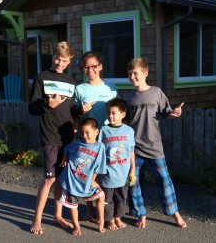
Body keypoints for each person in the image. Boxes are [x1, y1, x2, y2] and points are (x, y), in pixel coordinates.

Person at [124, 57, 187, 229]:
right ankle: (140, 214)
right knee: (134, 182)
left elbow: (166, 112)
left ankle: (175, 213)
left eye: (135, 73)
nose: (132, 77)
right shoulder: (128, 97)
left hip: (154, 147)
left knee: (164, 181)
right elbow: (125, 123)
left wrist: (174, 113)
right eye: (129, 74)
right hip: (134, 148)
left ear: (145, 73)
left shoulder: (157, 92)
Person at [29, 41, 76, 235]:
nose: (60, 63)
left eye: (64, 60)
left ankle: (57, 216)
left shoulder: (71, 82)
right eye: (57, 58)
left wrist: (81, 112)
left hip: (67, 138)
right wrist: (49, 105)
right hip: (49, 137)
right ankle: (37, 219)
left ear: (69, 61)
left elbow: (71, 111)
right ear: (53, 57)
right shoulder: (41, 78)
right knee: (49, 179)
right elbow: (32, 108)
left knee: (61, 180)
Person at [74, 51, 117, 220]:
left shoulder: (111, 87)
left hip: (107, 139)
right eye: (86, 67)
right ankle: (90, 211)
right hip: (88, 140)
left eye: (93, 66)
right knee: (88, 175)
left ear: (100, 67)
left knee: (106, 176)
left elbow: (116, 112)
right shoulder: (79, 89)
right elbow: (76, 116)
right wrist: (79, 113)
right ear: (83, 69)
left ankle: (106, 213)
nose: (90, 69)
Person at [58, 118, 106, 236]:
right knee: (73, 204)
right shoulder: (76, 143)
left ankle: (101, 220)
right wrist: (64, 158)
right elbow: (66, 148)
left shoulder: (100, 147)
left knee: (101, 195)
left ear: (96, 132)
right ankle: (76, 225)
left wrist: (93, 180)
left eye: (87, 132)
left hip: (88, 180)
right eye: (82, 132)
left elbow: (99, 166)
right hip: (72, 179)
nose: (84, 136)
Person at [97, 97, 135, 230]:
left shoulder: (129, 131)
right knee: (107, 199)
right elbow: (99, 150)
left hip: (123, 174)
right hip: (107, 174)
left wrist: (133, 170)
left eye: (114, 113)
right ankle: (110, 219)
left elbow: (131, 151)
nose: (110, 116)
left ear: (123, 114)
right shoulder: (103, 130)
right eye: (109, 113)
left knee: (122, 198)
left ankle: (118, 216)